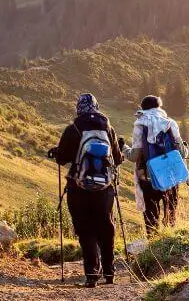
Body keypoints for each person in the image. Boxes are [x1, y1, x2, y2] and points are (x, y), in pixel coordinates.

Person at [49, 93, 123, 288]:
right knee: (106, 227)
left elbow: (62, 158)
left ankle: (92, 275)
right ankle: (110, 273)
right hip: (105, 188)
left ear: (78, 108)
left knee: (85, 229)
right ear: (96, 107)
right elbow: (118, 157)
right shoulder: (108, 128)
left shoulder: (72, 128)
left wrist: (56, 152)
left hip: (78, 186)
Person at [121, 95, 188, 236]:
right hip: (170, 174)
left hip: (148, 176)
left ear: (143, 108)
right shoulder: (170, 123)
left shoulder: (140, 124)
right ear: (159, 107)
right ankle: (170, 242)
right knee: (170, 211)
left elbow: (134, 156)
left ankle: (152, 242)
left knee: (151, 214)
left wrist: (123, 147)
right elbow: (183, 153)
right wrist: (185, 147)